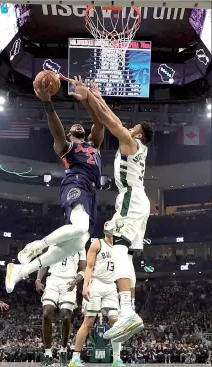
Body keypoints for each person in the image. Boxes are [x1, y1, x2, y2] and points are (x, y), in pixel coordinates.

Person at [71, 82, 154, 341]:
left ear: (138, 135)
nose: (129, 128)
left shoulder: (130, 142)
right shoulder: (134, 144)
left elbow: (109, 121)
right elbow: (111, 116)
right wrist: (96, 95)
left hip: (131, 198)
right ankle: (128, 310)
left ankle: (128, 310)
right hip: (137, 201)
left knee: (117, 246)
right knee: (126, 255)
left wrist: (89, 99)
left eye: (134, 129)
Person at [5, 76, 104, 294]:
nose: (77, 125)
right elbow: (57, 131)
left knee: (78, 244)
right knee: (79, 228)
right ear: (69, 135)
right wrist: (47, 102)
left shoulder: (93, 144)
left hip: (91, 192)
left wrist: (87, 98)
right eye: (72, 127)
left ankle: (20, 272)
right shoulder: (66, 147)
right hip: (75, 183)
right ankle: (35, 246)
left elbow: (99, 122)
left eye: (80, 126)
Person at [69, 226, 124, 367]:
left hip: (111, 285)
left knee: (115, 322)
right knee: (89, 321)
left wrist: (121, 288)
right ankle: (75, 358)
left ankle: (117, 359)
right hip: (97, 283)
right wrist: (86, 285)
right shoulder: (97, 243)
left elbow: (122, 270)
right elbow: (89, 267)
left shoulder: (120, 247)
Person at [35, 250, 86, 367]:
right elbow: (44, 263)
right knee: (46, 314)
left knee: (66, 316)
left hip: (70, 281)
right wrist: (38, 279)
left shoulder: (80, 247)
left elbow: (83, 270)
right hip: (53, 280)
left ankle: (63, 351)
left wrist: (76, 281)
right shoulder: (55, 242)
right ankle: (48, 354)